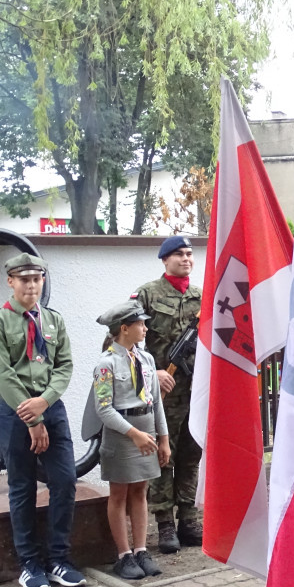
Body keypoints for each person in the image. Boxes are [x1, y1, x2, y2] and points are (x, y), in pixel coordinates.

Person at [0, 253, 86, 587]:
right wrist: (33, 416)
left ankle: (59, 559)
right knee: (23, 486)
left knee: (65, 481)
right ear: (11, 282)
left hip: (51, 408)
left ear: (42, 281)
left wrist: (45, 403)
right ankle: (29, 564)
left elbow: (65, 366)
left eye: (36, 279)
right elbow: (1, 375)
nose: (31, 285)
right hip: (14, 415)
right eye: (23, 279)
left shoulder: (53, 320)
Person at [83, 301, 171, 580]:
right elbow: (104, 409)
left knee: (140, 491)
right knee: (120, 492)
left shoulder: (146, 360)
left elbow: (156, 402)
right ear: (124, 328)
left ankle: (142, 549)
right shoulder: (106, 364)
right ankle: (124, 555)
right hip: (123, 435)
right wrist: (134, 435)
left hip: (147, 430)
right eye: (141, 324)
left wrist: (164, 438)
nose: (145, 328)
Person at [131, 236, 202, 553]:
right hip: (163, 392)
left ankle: (188, 519)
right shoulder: (147, 294)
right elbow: (123, 341)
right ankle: (164, 525)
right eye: (178, 254)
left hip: (196, 391)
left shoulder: (203, 296)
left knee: (191, 455)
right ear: (164, 260)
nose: (186, 258)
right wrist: (151, 373)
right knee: (163, 456)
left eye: (189, 253)